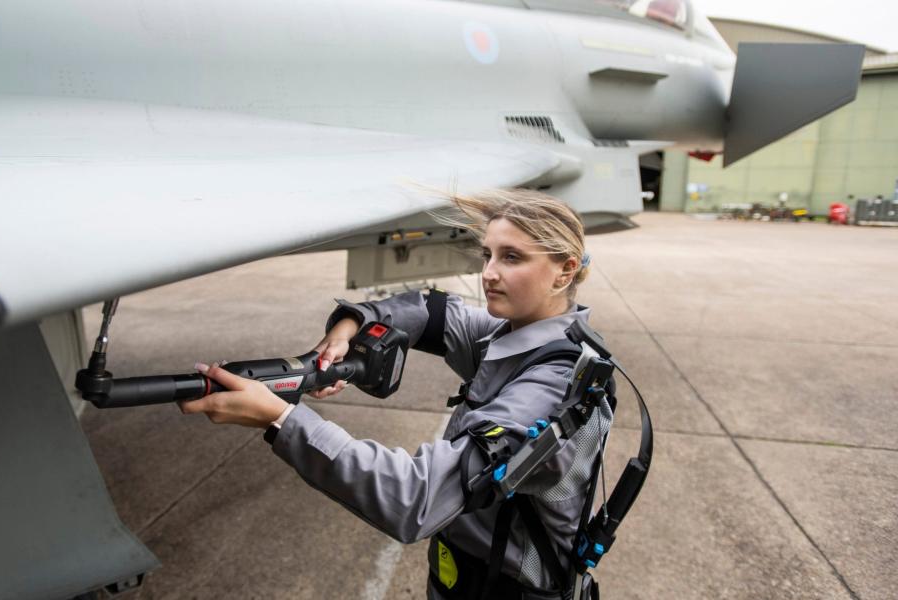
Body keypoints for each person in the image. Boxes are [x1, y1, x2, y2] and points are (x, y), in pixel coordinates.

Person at [180, 189, 612, 599]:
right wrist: (351, 325)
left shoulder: (556, 387)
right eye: (488, 254)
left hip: (512, 590)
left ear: (565, 271)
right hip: (465, 576)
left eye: (512, 257)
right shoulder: (517, 332)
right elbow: (428, 310)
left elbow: (417, 497)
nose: (488, 273)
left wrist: (280, 419)